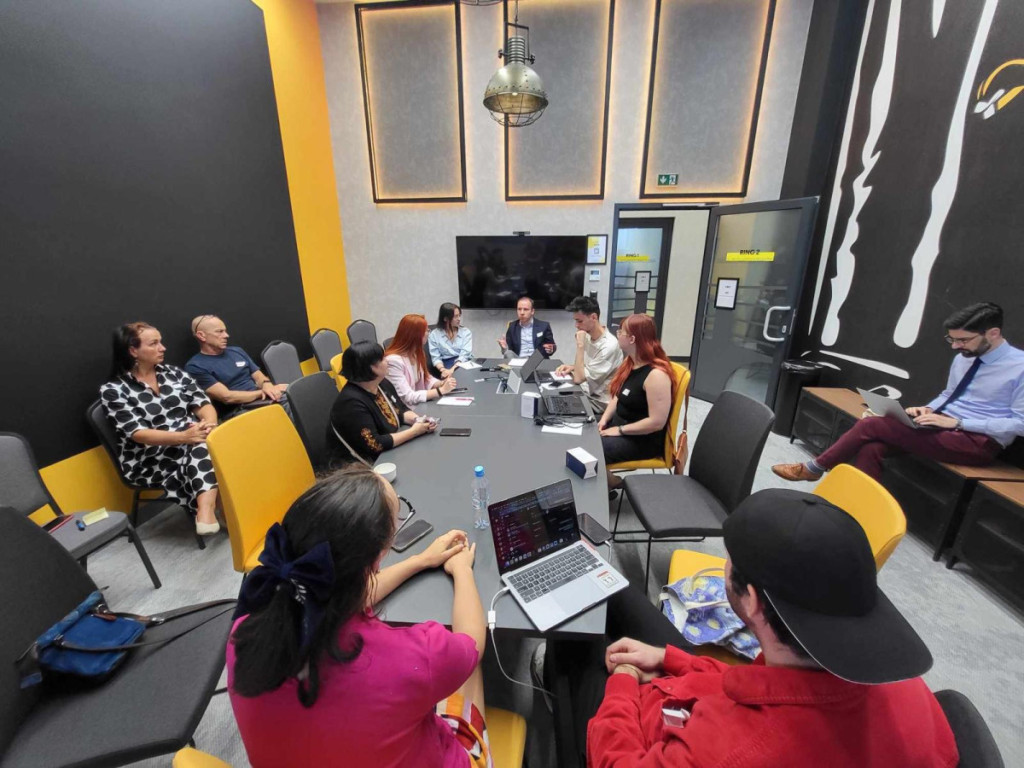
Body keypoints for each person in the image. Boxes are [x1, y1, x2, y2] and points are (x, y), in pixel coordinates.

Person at [576, 489, 957, 767]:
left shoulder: (736, 751)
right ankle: (589, 567)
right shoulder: (900, 681)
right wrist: (671, 659)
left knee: (575, 652)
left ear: (753, 600)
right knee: (615, 596)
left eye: (728, 559)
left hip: (645, 736)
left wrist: (624, 681)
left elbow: (616, 761)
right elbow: (774, 689)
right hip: (693, 705)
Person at [227, 465, 491, 768]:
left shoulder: (242, 631)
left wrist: (419, 561)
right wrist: (461, 569)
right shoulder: (415, 657)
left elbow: (336, 595)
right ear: (377, 559)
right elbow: (472, 641)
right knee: (470, 665)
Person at [774, 302, 1024, 482]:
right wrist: (928, 409)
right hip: (940, 427)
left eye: (963, 340)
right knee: (872, 447)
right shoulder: (964, 357)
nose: (956, 346)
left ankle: (814, 468)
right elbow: (949, 394)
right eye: (953, 340)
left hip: (978, 443)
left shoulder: (1019, 367)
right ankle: (857, 510)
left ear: (993, 333)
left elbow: (1020, 424)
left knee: (872, 425)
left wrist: (958, 423)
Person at [99, 322, 221, 535]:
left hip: (191, 438)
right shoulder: (114, 390)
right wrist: (184, 437)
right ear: (133, 350)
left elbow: (203, 403)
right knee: (203, 447)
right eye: (154, 343)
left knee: (215, 442)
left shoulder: (173, 373)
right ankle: (208, 509)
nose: (162, 348)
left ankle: (217, 511)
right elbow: (138, 434)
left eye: (161, 342)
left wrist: (208, 424)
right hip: (150, 458)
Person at [327, 341, 437, 466]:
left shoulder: (381, 383)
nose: (387, 361)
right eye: (383, 359)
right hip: (359, 467)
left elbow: (400, 410)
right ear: (372, 368)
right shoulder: (351, 403)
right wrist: (414, 432)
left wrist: (418, 420)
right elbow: (376, 444)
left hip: (390, 451)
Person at [597, 314, 676, 488]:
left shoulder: (656, 375)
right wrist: (603, 420)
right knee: (583, 430)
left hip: (641, 440)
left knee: (591, 448)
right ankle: (605, 482)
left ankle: (613, 484)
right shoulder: (631, 363)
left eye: (621, 332)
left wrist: (619, 430)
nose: (617, 334)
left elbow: (656, 422)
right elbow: (618, 396)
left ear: (632, 339)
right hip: (623, 427)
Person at [184, 315, 290, 419]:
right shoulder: (195, 366)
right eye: (219, 331)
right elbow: (227, 397)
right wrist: (263, 392)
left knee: (294, 394)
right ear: (201, 335)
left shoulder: (236, 351)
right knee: (288, 402)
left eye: (225, 331)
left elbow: (258, 376)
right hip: (238, 409)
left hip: (261, 399)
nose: (226, 335)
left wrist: (267, 385)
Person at [556, 296, 623, 409]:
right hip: (586, 391)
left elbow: (579, 379)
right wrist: (573, 367)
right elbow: (589, 367)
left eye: (580, 321)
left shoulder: (609, 346)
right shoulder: (587, 334)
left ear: (593, 317)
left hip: (600, 401)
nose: (576, 325)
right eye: (576, 321)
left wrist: (580, 346)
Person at [385, 314, 458, 407]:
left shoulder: (416, 353)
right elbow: (407, 397)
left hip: (419, 405)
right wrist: (441, 390)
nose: (428, 333)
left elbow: (426, 379)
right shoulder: (393, 361)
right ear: (416, 335)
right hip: (405, 409)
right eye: (427, 330)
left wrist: (441, 383)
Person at [429, 302, 473, 378]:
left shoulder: (466, 332)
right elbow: (436, 358)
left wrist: (452, 370)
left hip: (463, 362)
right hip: (445, 365)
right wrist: (443, 370)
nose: (459, 319)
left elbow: (465, 354)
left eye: (459, 315)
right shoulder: (434, 334)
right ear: (445, 318)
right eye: (455, 316)